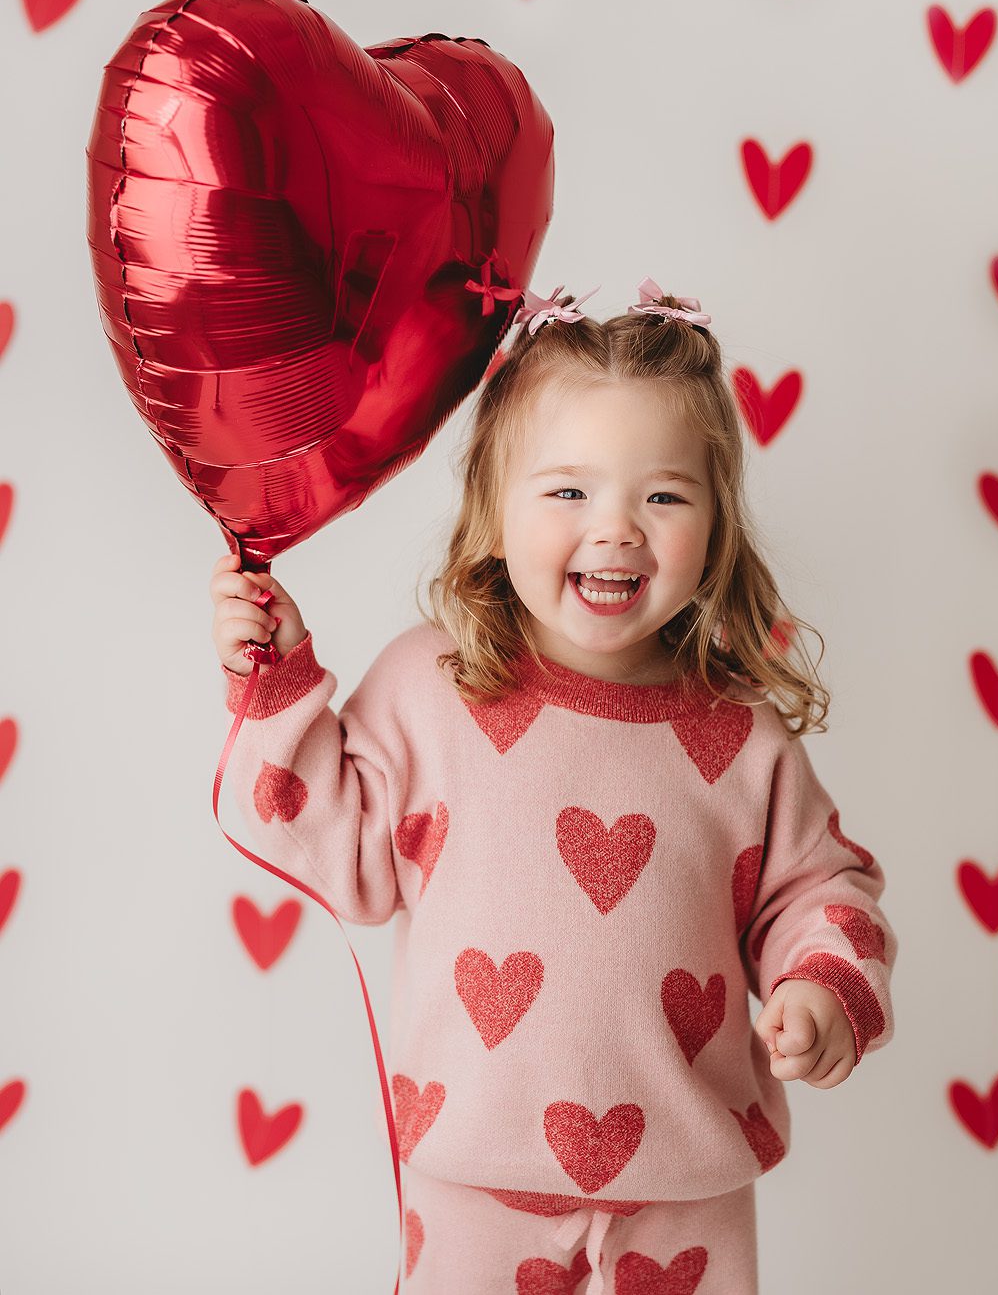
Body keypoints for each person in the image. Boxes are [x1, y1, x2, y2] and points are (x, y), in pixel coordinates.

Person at [209, 276, 898, 1295]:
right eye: (569, 491)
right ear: (492, 508)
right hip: (469, 1181)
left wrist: (822, 983)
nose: (617, 529)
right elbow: (332, 842)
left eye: (663, 495)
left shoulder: (737, 733)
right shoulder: (432, 688)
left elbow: (821, 888)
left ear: (716, 524)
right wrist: (276, 681)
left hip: (687, 1188)